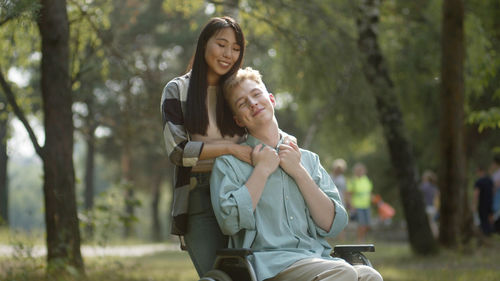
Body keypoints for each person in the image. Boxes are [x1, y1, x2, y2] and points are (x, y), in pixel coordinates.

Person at [210, 67, 383, 281]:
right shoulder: (229, 164)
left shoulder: (309, 160)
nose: (253, 103)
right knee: (344, 273)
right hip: (268, 266)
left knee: (369, 276)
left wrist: (298, 172)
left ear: (271, 99)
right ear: (239, 120)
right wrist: (262, 170)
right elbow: (229, 223)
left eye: (256, 94)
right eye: (242, 103)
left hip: (316, 257)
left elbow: (334, 224)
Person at [160, 16, 250, 277]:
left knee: (254, 274)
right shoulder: (178, 90)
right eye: (222, 44)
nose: (229, 54)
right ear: (203, 45)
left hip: (245, 190)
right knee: (217, 275)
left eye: (236, 48)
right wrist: (231, 149)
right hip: (199, 194)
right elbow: (178, 151)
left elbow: (260, 130)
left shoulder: (239, 88)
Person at [347, 163, 373, 242]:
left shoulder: (366, 179)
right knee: (361, 224)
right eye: (358, 170)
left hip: (367, 205)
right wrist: (351, 205)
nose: (360, 172)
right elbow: (348, 194)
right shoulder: (353, 181)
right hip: (357, 205)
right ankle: (360, 240)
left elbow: (369, 192)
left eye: (362, 170)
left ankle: (363, 238)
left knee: (367, 224)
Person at [473, 164, 494, 236]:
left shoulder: (479, 182)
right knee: (490, 218)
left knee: (483, 219)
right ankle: (490, 232)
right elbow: (493, 191)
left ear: (480, 171)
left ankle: (485, 233)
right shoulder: (489, 180)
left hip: (482, 204)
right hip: (490, 203)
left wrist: (474, 204)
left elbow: (476, 194)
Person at [418, 170, 439, 238]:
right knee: (432, 223)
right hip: (433, 208)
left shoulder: (423, 187)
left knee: (428, 224)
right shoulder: (434, 187)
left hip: (426, 207)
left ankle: (431, 237)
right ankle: (435, 236)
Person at [491, 155, 500, 233]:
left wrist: (492, 194)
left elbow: (496, 186)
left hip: (497, 196)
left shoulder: (497, 174)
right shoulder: (496, 173)